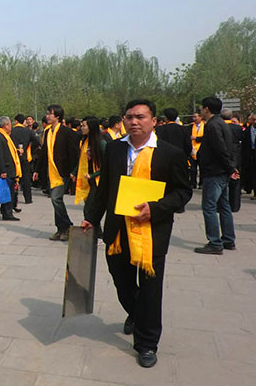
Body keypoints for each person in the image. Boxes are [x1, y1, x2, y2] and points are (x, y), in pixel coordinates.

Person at [82, 99, 191, 368]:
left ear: (153, 121)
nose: (134, 121)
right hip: (118, 231)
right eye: (129, 116)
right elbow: (105, 187)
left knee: (151, 290)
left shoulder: (170, 153)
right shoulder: (115, 149)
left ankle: (147, 343)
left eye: (140, 117)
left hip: (152, 231)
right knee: (122, 281)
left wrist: (155, 208)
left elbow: (182, 192)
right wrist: (91, 219)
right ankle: (136, 312)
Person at [194, 97, 238, 254]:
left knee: (209, 207)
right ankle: (228, 239)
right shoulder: (222, 124)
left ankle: (215, 243)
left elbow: (220, 149)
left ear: (207, 109)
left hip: (214, 171)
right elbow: (229, 148)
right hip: (221, 171)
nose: (201, 111)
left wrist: (229, 168)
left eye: (202, 108)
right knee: (223, 206)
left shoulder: (213, 125)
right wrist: (230, 167)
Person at [34, 105, 78, 241]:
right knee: (56, 201)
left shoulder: (67, 132)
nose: (47, 116)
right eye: (47, 113)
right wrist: (37, 170)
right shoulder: (47, 132)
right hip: (51, 172)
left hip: (62, 172)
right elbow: (44, 153)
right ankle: (61, 229)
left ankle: (67, 226)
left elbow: (74, 153)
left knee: (56, 199)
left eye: (50, 114)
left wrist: (74, 171)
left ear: (57, 116)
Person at [71, 116, 105, 239]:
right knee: (91, 208)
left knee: (89, 209)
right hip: (87, 180)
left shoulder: (101, 143)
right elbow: (82, 160)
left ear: (91, 127)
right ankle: (97, 233)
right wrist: (75, 172)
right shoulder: (85, 142)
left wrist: (93, 174)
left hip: (97, 181)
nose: (82, 128)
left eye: (84, 125)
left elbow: (107, 165)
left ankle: (96, 233)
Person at [11, 114, 39, 206]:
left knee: (14, 178)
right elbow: (37, 141)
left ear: (16, 121)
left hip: (14, 158)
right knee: (26, 178)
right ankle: (28, 199)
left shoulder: (11, 131)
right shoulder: (28, 131)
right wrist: (29, 148)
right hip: (25, 157)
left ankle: (13, 198)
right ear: (23, 121)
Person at [222, 108, 243, 213]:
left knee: (222, 182)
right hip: (236, 156)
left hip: (222, 156)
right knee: (235, 182)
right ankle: (235, 205)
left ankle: (222, 204)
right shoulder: (238, 128)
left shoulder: (219, 126)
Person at [188, 112, 204, 188]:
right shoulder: (191, 126)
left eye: (195, 117)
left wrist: (196, 138)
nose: (194, 118)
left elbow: (206, 137)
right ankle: (193, 183)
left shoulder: (205, 126)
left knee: (202, 168)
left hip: (201, 149)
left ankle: (201, 183)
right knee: (193, 168)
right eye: (193, 117)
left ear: (200, 117)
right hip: (193, 149)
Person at [242, 112, 256, 199]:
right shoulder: (247, 130)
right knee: (252, 173)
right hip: (250, 154)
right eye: (253, 119)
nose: (255, 121)